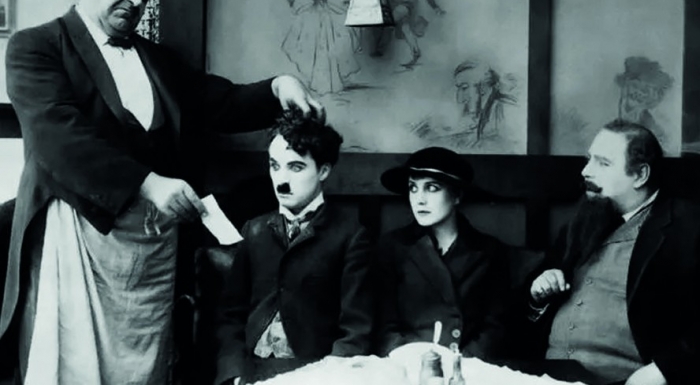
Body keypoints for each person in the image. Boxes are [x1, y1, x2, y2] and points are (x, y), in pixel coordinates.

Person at [0, 0, 322, 384]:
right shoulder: (36, 47)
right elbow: (57, 137)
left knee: (146, 367)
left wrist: (278, 88)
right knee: (74, 364)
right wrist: (149, 183)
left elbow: (222, 103)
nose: (137, 1)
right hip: (75, 237)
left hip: (151, 248)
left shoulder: (157, 61)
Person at [525, 120, 700, 385]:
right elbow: (528, 310)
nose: (586, 171)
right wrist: (538, 296)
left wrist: (663, 370)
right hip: (550, 375)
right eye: (589, 160)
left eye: (603, 163)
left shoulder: (688, 226)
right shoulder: (582, 219)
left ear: (640, 175)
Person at [213, 109, 373, 385]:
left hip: (314, 372)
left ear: (323, 170)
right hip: (250, 371)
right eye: (275, 166)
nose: (282, 180)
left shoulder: (350, 236)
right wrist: (234, 374)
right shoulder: (255, 230)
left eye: (296, 167)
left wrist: (327, 377)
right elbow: (231, 316)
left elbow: (356, 330)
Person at [373, 147, 510, 359]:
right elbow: (384, 325)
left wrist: (461, 364)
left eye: (432, 188)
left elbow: (495, 327)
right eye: (413, 188)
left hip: (467, 366)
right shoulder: (392, 247)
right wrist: (410, 361)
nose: (420, 199)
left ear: (457, 195)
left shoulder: (488, 251)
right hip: (406, 364)